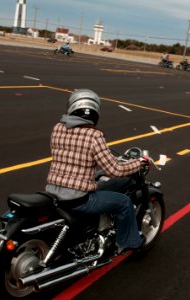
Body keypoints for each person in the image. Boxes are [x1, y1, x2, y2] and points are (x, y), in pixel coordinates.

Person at [46, 89, 150, 253]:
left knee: (103, 182)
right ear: (94, 110)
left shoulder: (58, 128)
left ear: (72, 106)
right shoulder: (93, 135)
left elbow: (75, 156)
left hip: (54, 192)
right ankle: (129, 242)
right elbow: (114, 170)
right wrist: (138, 163)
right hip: (79, 199)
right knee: (124, 202)